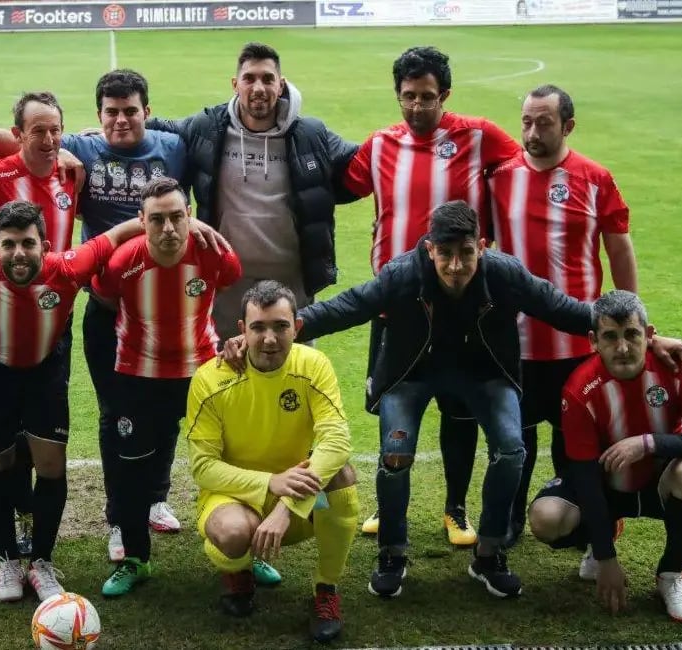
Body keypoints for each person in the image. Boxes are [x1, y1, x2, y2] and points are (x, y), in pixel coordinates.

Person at [276, 200, 682, 599]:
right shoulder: (401, 274)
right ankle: (392, 553)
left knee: (511, 450)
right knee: (396, 453)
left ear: (483, 247)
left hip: (484, 374)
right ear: (429, 249)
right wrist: (291, 325)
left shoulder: (505, 274)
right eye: (445, 254)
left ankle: (489, 554)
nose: (456, 266)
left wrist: (642, 336)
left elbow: (561, 308)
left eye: (467, 253)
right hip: (412, 373)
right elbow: (349, 305)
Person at [0, 70, 190, 559]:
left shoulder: (79, 165)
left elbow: (39, 138)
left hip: (62, 313)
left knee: (150, 408)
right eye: (111, 111)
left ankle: (149, 499)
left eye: (55, 131)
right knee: (22, 426)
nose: (122, 119)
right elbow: (17, 139)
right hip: (20, 313)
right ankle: (10, 522)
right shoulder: (16, 169)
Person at [0, 201, 157, 603]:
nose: (18, 253)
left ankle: (41, 561)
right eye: (8, 244)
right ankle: (7, 560)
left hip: (44, 373)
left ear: (45, 245)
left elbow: (120, 233)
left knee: (51, 465)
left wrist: (185, 222)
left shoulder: (69, 268)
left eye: (27, 243)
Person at [342, 46, 522, 543]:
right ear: (396, 95)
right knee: (393, 404)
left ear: (445, 95)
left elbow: (526, 169)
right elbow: (339, 184)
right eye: (407, 97)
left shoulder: (479, 136)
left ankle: (455, 508)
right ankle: (387, 502)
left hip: (461, 304)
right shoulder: (379, 144)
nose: (417, 107)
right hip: (394, 302)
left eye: (427, 97)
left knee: (459, 408)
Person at [488, 84, 638, 544]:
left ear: (568, 125)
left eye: (544, 122)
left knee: (573, 437)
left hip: (578, 339)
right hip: (514, 340)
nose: (532, 132)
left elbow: (618, 248)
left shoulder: (595, 178)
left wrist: (627, 321)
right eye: (527, 122)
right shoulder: (499, 179)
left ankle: (578, 513)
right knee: (515, 438)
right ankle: (511, 517)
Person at [528, 290, 682, 622]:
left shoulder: (677, 367)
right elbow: (585, 475)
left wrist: (648, 444)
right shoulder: (580, 390)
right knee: (545, 517)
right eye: (610, 337)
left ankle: (671, 575)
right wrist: (606, 558)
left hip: (660, 481)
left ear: (649, 336)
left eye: (632, 334)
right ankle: (600, 537)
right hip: (606, 486)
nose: (622, 348)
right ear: (593, 341)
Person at [146, 42, 359, 343]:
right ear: (235, 85)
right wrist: (90, 142)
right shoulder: (208, 127)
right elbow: (153, 129)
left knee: (292, 373)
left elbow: (365, 159)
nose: (258, 87)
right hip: (227, 283)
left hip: (291, 283)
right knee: (227, 372)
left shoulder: (311, 133)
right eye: (249, 79)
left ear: (281, 84)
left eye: (268, 79)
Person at [187, 280, 359, 642]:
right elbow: (203, 466)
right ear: (241, 331)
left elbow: (337, 438)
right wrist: (268, 483)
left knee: (341, 474)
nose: (269, 339)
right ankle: (238, 571)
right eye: (258, 327)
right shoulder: (210, 379)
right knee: (233, 535)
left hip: (297, 496)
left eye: (280, 326)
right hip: (235, 498)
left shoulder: (313, 365)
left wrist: (288, 503)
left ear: (296, 327)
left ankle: (325, 591)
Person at [94, 177, 241, 597]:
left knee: (231, 459)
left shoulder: (215, 254)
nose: (169, 228)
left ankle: (244, 556)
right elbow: (104, 299)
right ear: (141, 222)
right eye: (156, 220)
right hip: (137, 378)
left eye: (177, 217)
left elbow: (228, 283)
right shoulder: (124, 261)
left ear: (190, 216)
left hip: (201, 374)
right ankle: (136, 559)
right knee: (132, 472)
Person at [0, 90, 79, 558]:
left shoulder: (71, 172)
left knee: (42, 426)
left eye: (54, 130)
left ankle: (35, 539)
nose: (48, 139)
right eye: (36, 130)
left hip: (54, 319)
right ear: (17, 134)